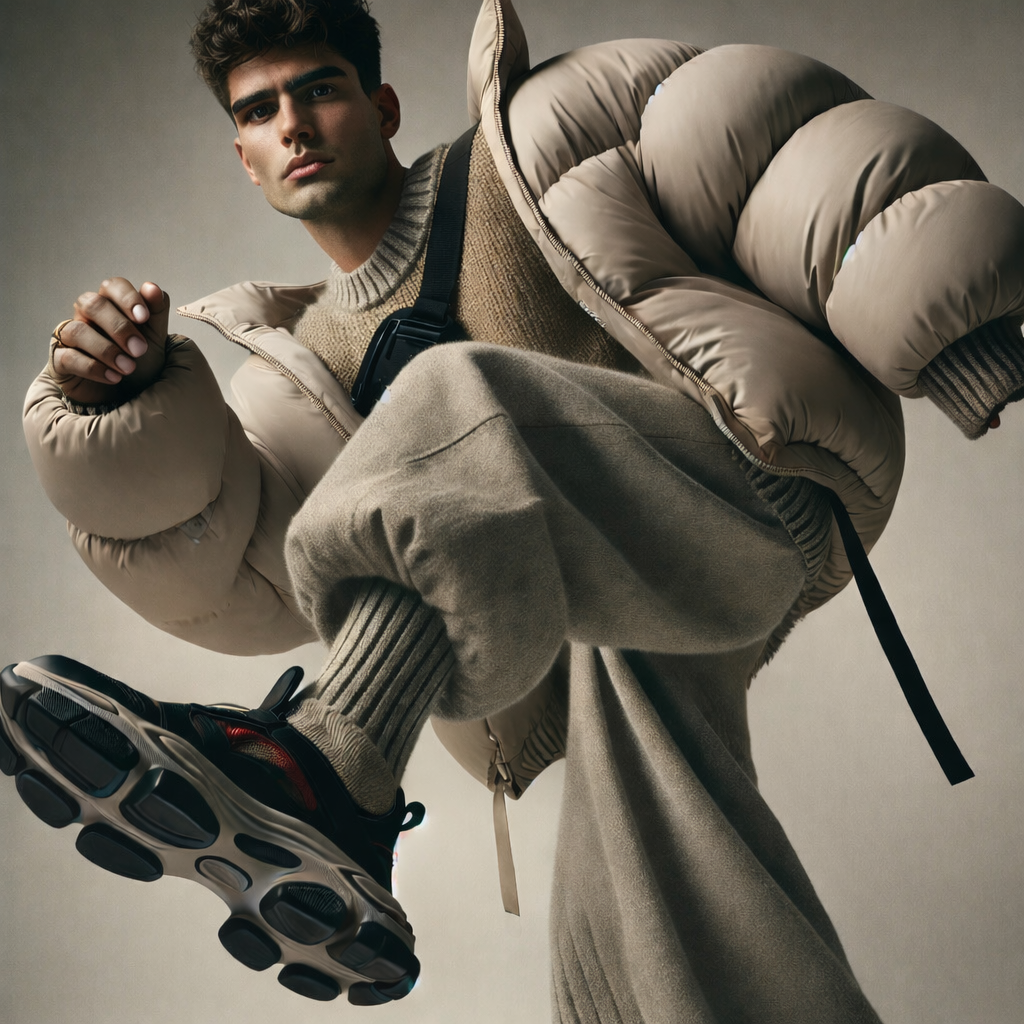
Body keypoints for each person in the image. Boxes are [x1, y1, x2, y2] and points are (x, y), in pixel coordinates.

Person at [5, 0, 1023, 1019]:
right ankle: (344, 796)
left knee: (456, 401)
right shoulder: (297, 372)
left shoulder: (533, 141)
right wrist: (117, 408)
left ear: (382, 102)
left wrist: (948, 316)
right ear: (244, 156)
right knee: (641, 928)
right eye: (262, 111)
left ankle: (329, 763)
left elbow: (775, 147)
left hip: (749, 478)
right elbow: (230, 571)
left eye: (319, 89)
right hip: (604, 616)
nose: (296, 127)